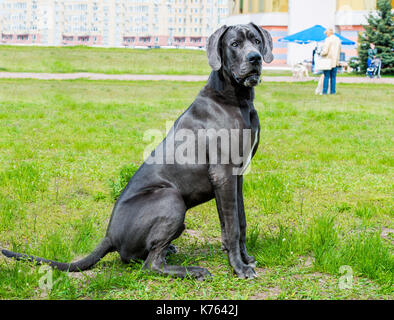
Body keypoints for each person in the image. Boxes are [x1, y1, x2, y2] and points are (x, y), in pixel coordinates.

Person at [320, 28, 341, 95]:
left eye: (326, 33)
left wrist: (320, 53)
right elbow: (339, 50)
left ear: (328, 33)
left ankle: (324, 92)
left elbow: (325, 51)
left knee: (326, 76)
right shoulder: (338, 39)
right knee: (333, 77)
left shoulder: (328, 40)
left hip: (328, 60)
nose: (326, 35)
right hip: (335, 61)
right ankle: (333, 92)